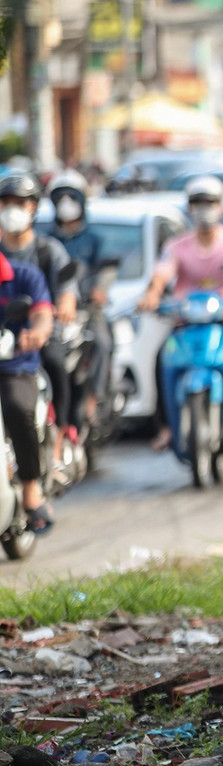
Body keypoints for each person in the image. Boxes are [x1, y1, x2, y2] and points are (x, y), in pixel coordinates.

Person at [138, 176, 223, 451]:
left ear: (221, 207)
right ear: (189, 208)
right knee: (162, 358)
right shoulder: (177, 245)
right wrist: (152, 294)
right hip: (187, 322)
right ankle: (166, 427)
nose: (204, 209)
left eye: (209, 203)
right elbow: (161, 275)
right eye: (198, 203)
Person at [0, 174, 79, 478]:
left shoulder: (48, 251)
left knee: (57, 363)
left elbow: (65, 291)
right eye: (5, 203)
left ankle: (60, 436)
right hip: (4, 341)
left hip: (36, 339)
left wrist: (63, 308)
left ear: (33, 207)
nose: (11, 210)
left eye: (18, 203)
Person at [46, 172, 113, 430]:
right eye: (59, 198)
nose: (65, 203)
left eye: (70, 197)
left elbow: (107, 270)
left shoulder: (94, 239)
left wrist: (100, 290)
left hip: (88, 309)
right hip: (56, 313)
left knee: (102, 343)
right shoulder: (48, 242)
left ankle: (93, 398)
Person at [0, 239, 57, 533]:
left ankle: (32, 490)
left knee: (16, 406)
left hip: (14, 368)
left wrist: (37, 332)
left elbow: (42, 313)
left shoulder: (25, 275)